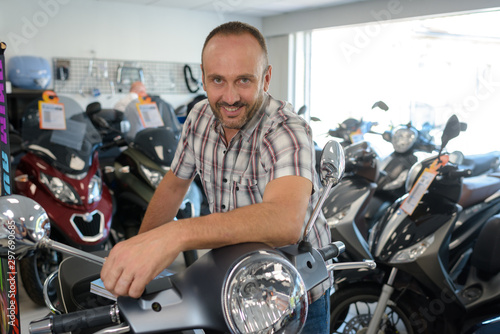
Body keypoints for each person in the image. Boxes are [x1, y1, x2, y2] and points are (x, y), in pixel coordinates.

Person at [101, 21, 332, 333]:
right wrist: (140, 252)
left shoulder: (287, 130)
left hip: (294, 296)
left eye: (244, 81)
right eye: (218, 80)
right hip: (232, 289)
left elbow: (285, 221)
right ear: (203, 77)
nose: (230, 97)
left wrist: (175, 235)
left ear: (266, 78)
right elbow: (172, 187)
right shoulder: (199, 117)